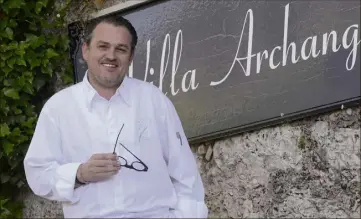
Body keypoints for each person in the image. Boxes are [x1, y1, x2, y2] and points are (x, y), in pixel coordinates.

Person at [23, 15, 208, 218]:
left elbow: (186, 176)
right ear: (85, 50)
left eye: (120, 49)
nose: (111, 56)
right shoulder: (58, 108)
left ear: (131, 56)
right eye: (103, 46)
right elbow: (38, 173)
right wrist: (79, 173)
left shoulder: (154, 101)